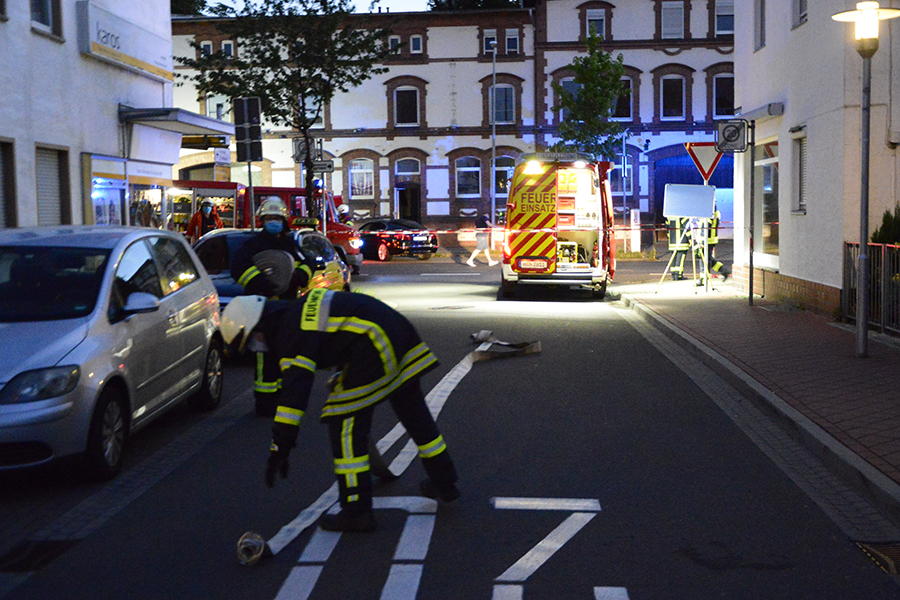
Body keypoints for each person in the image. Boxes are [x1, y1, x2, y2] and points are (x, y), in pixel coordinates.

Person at [220, 290, 460, 532]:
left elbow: (294, 394)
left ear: (258, 325)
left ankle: (356, 512)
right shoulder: (293, 313)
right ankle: (444, 481)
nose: (256, 347)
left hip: (375, 344)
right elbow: (341, 334)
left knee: (345, 425)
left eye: (251, 340)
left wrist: (280, 446)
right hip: (397, 332)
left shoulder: (289, 333)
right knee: (414, 413)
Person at [232, 198, 313, 417]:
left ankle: (282, 397)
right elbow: (238, 268)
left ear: (284, 220)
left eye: (276, 218)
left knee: (285, 354)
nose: (273, 222)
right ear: (262, 220)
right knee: (264, 356)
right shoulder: (254, 245)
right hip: (261, 309)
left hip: (286, 309)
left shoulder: (289, 244)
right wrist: (260, 282)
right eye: (269, 218)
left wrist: (299, 275)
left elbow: (308, 262)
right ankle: (265, 402)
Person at [696, 207, 730, 285]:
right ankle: (723, 271)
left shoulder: (708, 214)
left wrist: (703, 242)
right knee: (708, 258)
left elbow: (706, 228)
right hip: (711, 239)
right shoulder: (715, 213)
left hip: (707, 240)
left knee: (704, 260)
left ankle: (703, 279)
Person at [667, 216, 691, 281]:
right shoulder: (682, 213)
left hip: (672, 240)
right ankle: (678, 275)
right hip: (682, 241)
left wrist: (669, 236)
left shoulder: (669, 214)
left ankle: (674, 274)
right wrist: (690, 238)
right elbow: (687, 226)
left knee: (673, 258)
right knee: (680, 257)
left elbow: (667, 226)